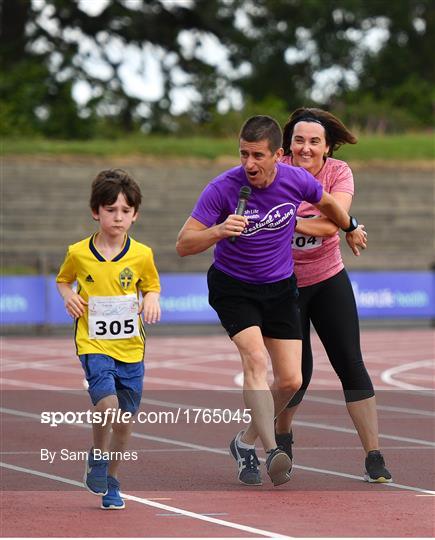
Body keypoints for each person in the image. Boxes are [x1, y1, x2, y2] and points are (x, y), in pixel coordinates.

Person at [176, 115, 363, 487]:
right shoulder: (222, 188)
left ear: (278, 154)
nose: (249, 164)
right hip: (234, 287)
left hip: (279, 288)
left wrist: (350, 226)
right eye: (243, 154)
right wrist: (217, 231)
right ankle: (272, 448)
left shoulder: (296, 180)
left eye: (258, 155)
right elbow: (183, 244)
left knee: (292, 380)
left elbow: (328, 203)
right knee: (255, 359)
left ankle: (244, 441)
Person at [274, 107, 392, 483]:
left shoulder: (338, 173)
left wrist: (293, 221)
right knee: (298, 374)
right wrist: (342, 225)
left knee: (350, 363)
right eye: (299, 141)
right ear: (288, 145)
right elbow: (335, 222)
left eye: (314, 142)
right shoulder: (274, 169)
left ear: (327, 148)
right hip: (282, 284)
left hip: (327, 279)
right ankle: (282, 434)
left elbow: (333, 220)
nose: (305, 148)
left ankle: (374, 455)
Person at [56, 169, 161, 509]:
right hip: (93, 343)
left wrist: (152, 299)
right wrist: (67, 295)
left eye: (125, 211)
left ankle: (110, 476)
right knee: (108, 407)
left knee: (124, 424)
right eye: (111, 209)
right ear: (95, 211)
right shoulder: (78, 252)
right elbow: (63, 280)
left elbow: (151, 284)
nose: (118, 217)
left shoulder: (142, 254)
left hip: (131, 348)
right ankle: (99, 458)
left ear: (135, 215)